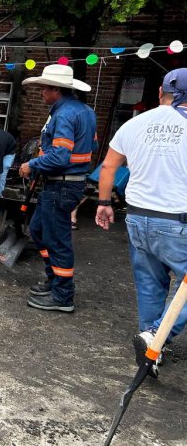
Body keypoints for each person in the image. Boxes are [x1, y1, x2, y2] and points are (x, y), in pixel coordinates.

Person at [95, 67, 187, 377]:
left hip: (137, 217)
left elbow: (109, 166)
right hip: (178, 221)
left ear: (161, 92)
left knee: (150, 286)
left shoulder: (135, 124)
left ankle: (152, 350)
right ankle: (155, 338)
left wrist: (104, 203)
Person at [19, 64, 97, 313]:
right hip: (65, 183)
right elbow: (90, 148)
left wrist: (32, 164)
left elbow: (61, 157)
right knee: (38, 229)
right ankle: (54, 280)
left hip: (62, 185)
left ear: (57, 90)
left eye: (44, 89)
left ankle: (63, 295)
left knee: (57, 239)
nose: (41, 92)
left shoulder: (63, 115)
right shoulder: (84, 111)